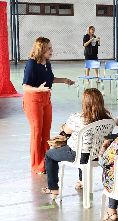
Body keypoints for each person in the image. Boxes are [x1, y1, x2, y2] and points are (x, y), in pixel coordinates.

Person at [41, 88, 112, 198]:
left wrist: (63, 126)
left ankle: (53, 188)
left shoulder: (78, 118)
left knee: (50, 154)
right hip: (97, 154)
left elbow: (66, 130)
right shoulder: (108, 119)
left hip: (77, 154)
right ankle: (82, 180)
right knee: (84, 146)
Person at [22, 37, 75, 174]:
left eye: (51, 48)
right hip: (33, 100)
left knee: (46, 132)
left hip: (46, 99)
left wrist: (64, 80)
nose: (52, 50)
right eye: (49, 48)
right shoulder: (31, 64)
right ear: (41, 49)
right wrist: (38, 90)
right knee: (37, 132)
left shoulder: (47, 63)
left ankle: (46, 161)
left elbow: (50, 79)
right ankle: (36, 165)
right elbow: (25, 86)